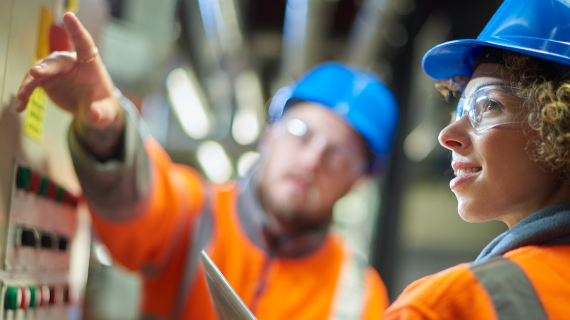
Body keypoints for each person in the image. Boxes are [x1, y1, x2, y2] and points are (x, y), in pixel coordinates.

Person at [16, 13, 399, 320]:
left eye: (339, 156)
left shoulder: (359, 296)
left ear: (356, 182)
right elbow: (138, 199)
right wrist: (108, 130)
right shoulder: (196, 213)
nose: (312, 161)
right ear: (271, 134)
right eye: (301, 132)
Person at [383, 0, 570, 319]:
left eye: (489, 106)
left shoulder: (449, 304)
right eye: (461, 108)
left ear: (561, 122)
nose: (448, 134)